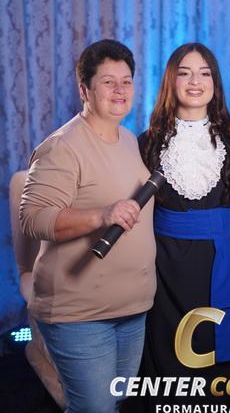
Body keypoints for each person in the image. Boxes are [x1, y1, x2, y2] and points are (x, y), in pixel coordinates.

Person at [20, 39, 156, 413]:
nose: (120, 90)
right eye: (108, 82)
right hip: (80, 314)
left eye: (126, 81)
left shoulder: (128, 138)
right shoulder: (62, 146)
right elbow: (33, 218)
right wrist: (101, 215)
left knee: (113, 402)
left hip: (131, 308)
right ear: (85, 91)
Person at [137, 42, 230, 407]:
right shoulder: (147, 143)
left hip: (219, 263)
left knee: (214, 355)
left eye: (204, 73)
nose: (195, 82)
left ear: (215, 82)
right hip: (164, 266)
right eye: (184, 73)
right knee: (167, 359)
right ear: (171, 81)